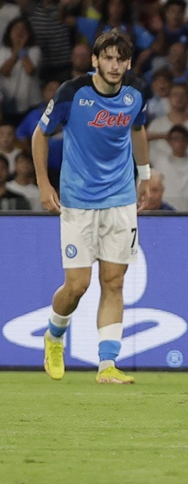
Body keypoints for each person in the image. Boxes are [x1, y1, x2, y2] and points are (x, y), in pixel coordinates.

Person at [32, 31, 153, 385]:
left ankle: (107, 365)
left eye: (121, 59)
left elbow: (139, 129)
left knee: (113, 282)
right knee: (78, 285)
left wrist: (144, 175)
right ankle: (54, 336)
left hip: (120, 200)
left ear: (128, 63)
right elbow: (41, 134)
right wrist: (43, 183)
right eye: (108, 58)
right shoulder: (72, 94)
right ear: (95, 61)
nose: (115, 66)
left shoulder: (136, 93)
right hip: (78, 200)